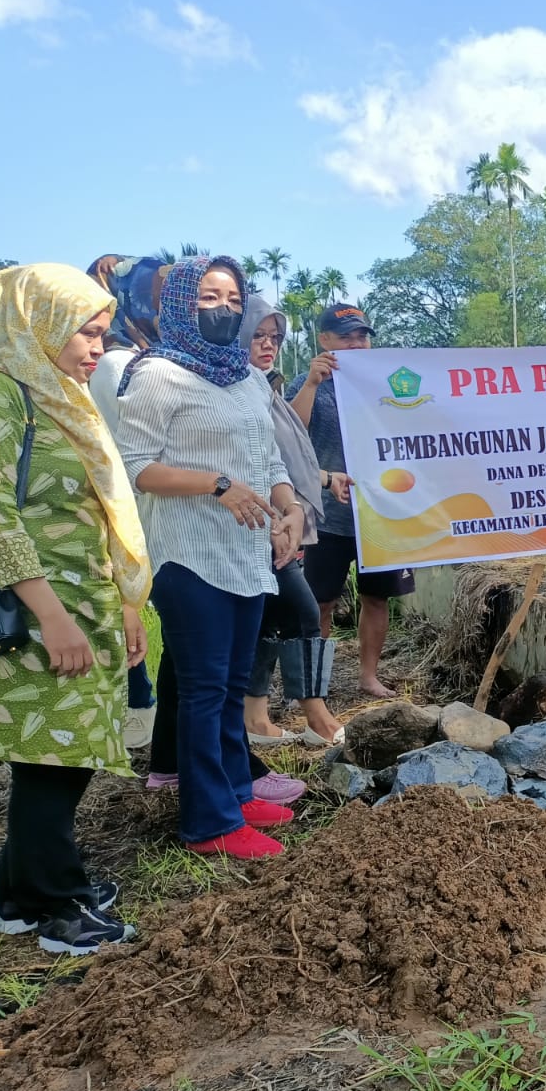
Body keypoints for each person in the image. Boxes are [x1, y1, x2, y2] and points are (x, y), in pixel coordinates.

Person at [0, 264, 150, 954]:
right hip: (37, 608)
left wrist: (125, 604)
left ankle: (15, 893)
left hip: (83, 601)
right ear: (37, 322)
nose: (98, 347)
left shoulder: (57, 395)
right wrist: (52, 615)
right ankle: (55, 904)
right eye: (85, 332)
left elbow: (94, 511)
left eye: (103, 333)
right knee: (52, 757)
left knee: (66, 752)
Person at [118, 256, 305, 860]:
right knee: (202, 692)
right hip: (189, 555)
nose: (224, 308)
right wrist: (217, 485)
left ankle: (236, 793)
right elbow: (135, 467)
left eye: (233, 299)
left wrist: (289, 508)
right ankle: (209, 824)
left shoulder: (246, 377)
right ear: (179, 302)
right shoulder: (157, 375)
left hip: (246, 553)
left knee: (229, 688)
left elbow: (269, 461)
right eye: (209, 296)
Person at [286, 302, 411, 699]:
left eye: (362, 337)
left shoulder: (386, 382)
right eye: (346, 337)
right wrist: (311, 383)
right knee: (320, 603)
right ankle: (314, 688)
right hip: (328, 515)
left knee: (377, 598)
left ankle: (368, 676)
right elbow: (288, 433)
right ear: (324, 340)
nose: (356, 344)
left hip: (382, 512)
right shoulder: (307, 383)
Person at [240, 294, 347, 748]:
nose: (268, 345)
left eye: (275, 337)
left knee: (269, 616)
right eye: (258, 335)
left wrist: (323, 479)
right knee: (302, 612)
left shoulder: (260, 387)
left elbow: (284, 456)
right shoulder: (236, 392)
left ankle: (255, 718)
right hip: (255, 522)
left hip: (279, 518)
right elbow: (261, 461)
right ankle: (315, 714)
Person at [85, 254, 168, 749]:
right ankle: (140, 706)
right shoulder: (118, 363)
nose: (161, 309)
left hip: (133, 501)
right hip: (133, 504)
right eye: (152, 298)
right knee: (136, 608)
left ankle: (141, 705)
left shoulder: (132, 357)